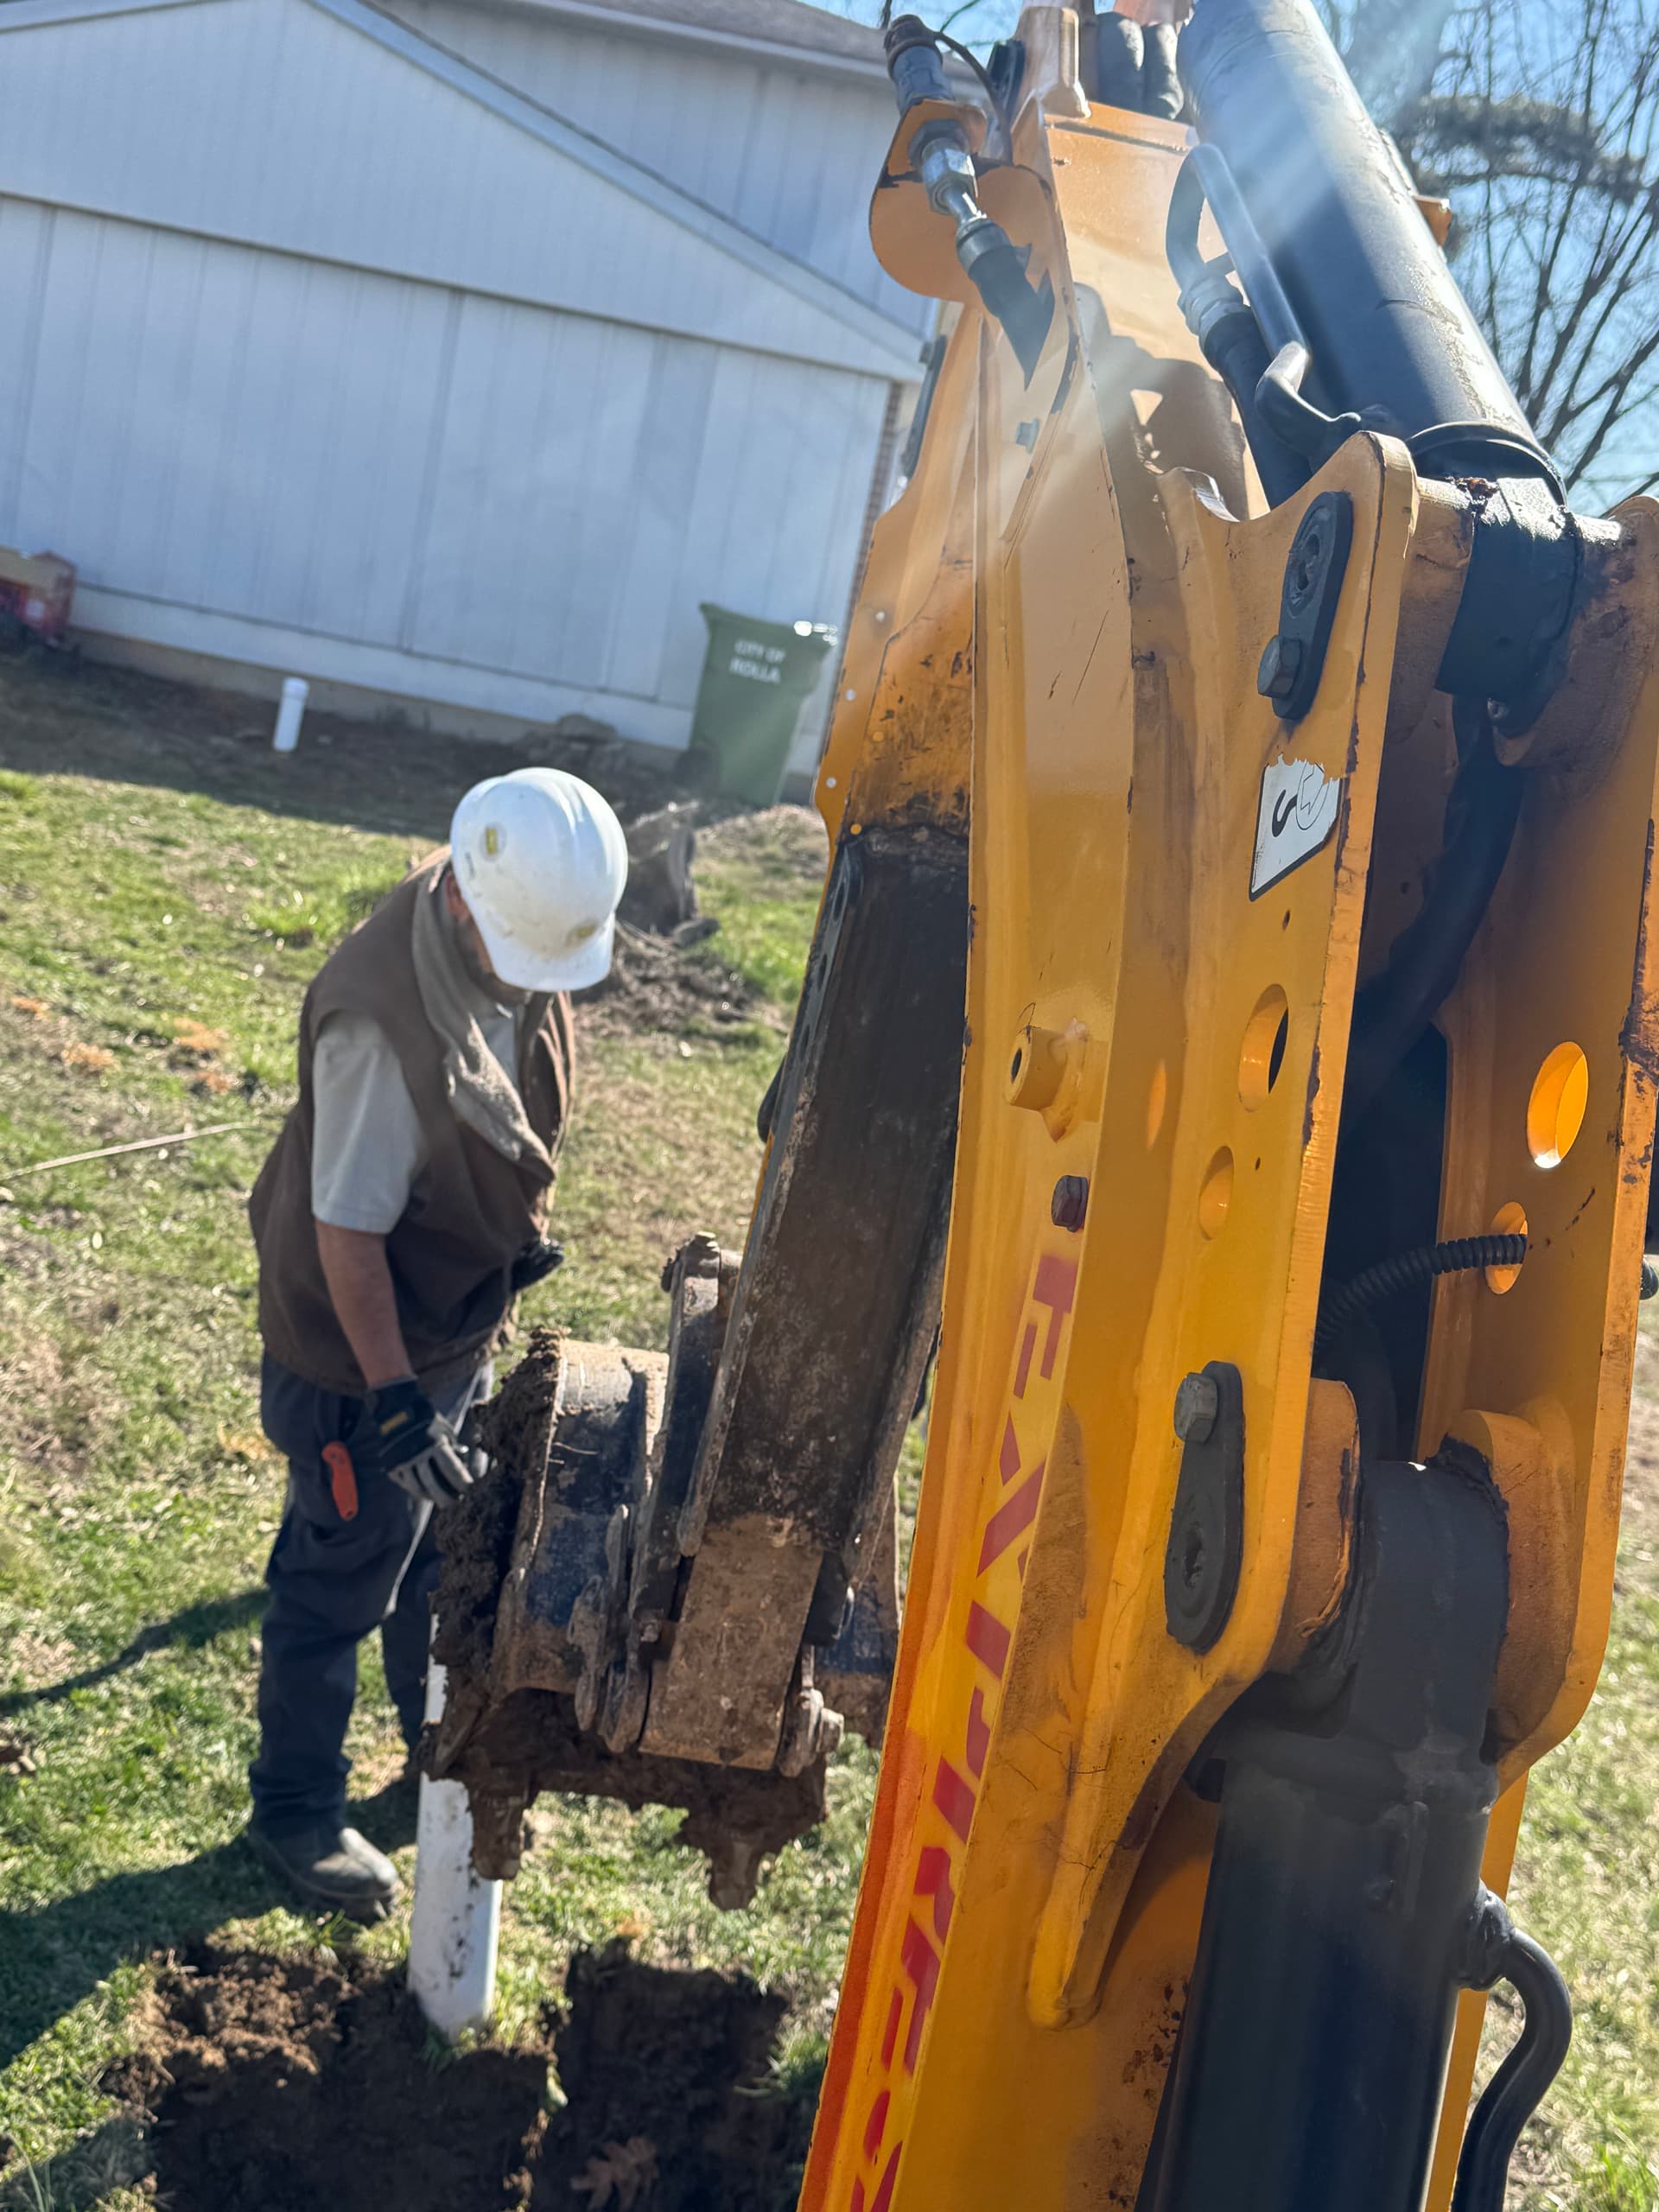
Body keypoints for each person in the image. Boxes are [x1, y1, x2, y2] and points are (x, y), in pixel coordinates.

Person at [244, 766, 627, 1919]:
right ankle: (294, 1811)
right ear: (465, 902)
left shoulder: (510, 920)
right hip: (363, 1366)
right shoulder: (378, 1028)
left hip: (441, 1336)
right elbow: (347, 1239)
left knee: (430, 1554)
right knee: (336, 1578)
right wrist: (398, 1404)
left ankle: (435, 1748)